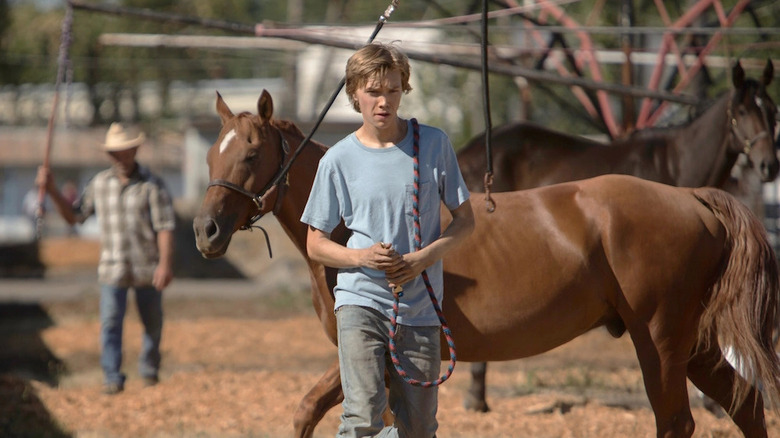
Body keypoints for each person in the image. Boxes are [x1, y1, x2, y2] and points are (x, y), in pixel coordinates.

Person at [301, 42, 474, 437]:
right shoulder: (337, 160)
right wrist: (363, 257)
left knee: (417, 429)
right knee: (361, 418)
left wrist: (422, 259)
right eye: (374, 91)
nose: (384, 101)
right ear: (355, 94)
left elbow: (465, 221)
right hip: (360, 300)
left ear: (404, 90)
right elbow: (315, 244)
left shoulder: (433, 145)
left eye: (393, 90)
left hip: (421, 306)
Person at [36, 122, 176, 395]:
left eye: (125, 152)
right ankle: (112, 376)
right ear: (109, 156)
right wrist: (52, 190)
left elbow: (165, 227)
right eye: (115, 153)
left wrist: (165, 264)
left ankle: (149, 370)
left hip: (146, 266)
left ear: (135, 150)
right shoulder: (99, 184)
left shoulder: (153, 185)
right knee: (111, 322)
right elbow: (74, 216)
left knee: (152, 322)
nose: (120, 158)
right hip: (112, 268)